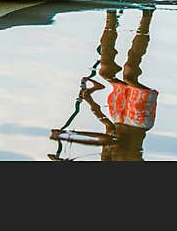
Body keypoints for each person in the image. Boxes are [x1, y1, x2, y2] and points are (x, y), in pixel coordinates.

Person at [49, 9, 158, 161]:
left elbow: (107, 126)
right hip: (138, 122)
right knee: (129, 73)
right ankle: (147, 16)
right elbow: (107, 140)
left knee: (105, 72)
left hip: (118, 118)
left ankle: (110, 16)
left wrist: (89, 99)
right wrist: (68, 136)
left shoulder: (106, 159)